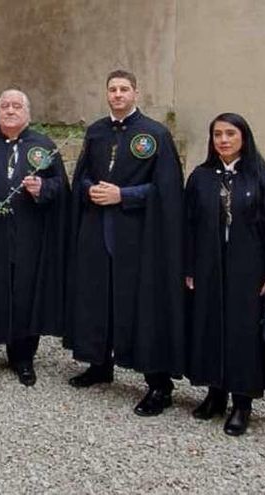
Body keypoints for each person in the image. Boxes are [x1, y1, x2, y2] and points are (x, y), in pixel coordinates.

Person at [65, 70, 185, 416]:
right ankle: (100, 364)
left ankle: (159, 384)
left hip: (137, 237)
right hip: (96, 230)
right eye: (112, 90)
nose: (117, 95)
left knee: (140, 306)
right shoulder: (97, 131)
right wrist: (89, 189)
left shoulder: (155, 134)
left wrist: (123, 194)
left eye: (123, 89)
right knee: (98, 299)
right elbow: (84, 173)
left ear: (136, 92)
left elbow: (166, 190)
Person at [184, 113, 265, 436]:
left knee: (242, 335)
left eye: (230, 133)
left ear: (244, 136)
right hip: (208, 268)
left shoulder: (262, 177)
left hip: (250, 272)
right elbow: (188, 227)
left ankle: (242, 404)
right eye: (217, 134)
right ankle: (215, 393)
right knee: (210, 328)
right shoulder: (201, 177)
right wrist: (188, 267)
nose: (224, 140)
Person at [0, 89, 69, 386]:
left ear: (27, 113)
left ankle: (22, 358)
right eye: (4, 105)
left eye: (17, 105)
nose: (10, 110)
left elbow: (60, 187)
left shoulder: (43, 146)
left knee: (24, 294)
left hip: (27, 237)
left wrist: (42, 188)